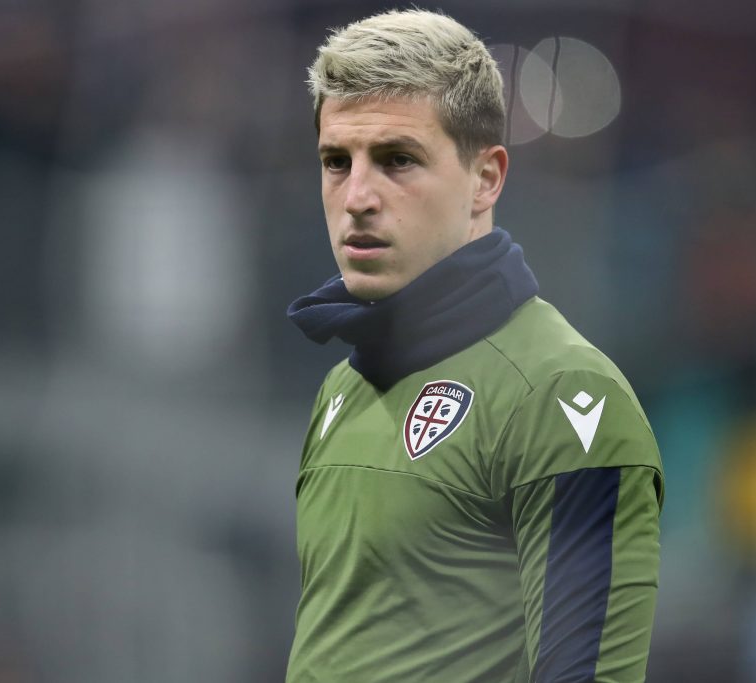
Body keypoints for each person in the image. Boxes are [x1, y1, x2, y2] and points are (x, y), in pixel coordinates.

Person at [285, 9, 664, 683]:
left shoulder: (563, 395)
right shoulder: (342, 389)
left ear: (486, 179)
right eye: (337, 162)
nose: (358, 196)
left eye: (398, 160)